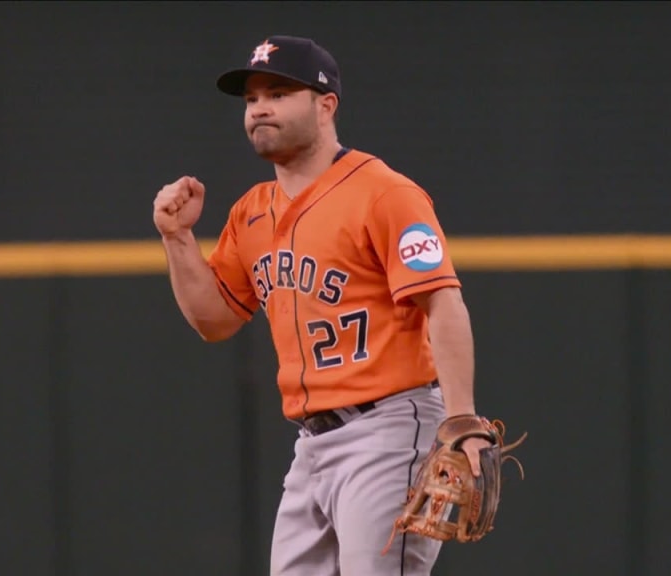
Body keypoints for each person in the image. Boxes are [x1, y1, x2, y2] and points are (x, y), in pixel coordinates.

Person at [152, 35, 491, 575]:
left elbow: (443, 303)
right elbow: (214, 320)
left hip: (389, 428)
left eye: (280, 92)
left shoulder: (384, 194)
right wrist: (176, 239)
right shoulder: (250, 212)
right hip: (311, 445)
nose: (260, 106)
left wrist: (462, 419)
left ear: (325, 104)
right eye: (251, 97)